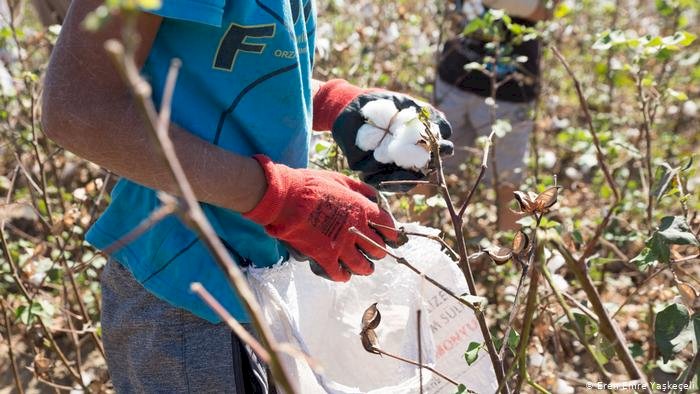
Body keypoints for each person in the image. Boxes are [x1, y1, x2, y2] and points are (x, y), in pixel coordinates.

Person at [41, 0, 452, 392]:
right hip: (189, 287)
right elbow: (77, 109)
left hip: (253, 271)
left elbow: (221, 68)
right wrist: (281, 198)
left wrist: (335, 105)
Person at [436, 0, 551, 230]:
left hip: (510, 91)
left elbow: (544, 10)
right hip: (453, 76)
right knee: (428, 166)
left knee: (508, 183)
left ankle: (510, 259)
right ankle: (418, 248)